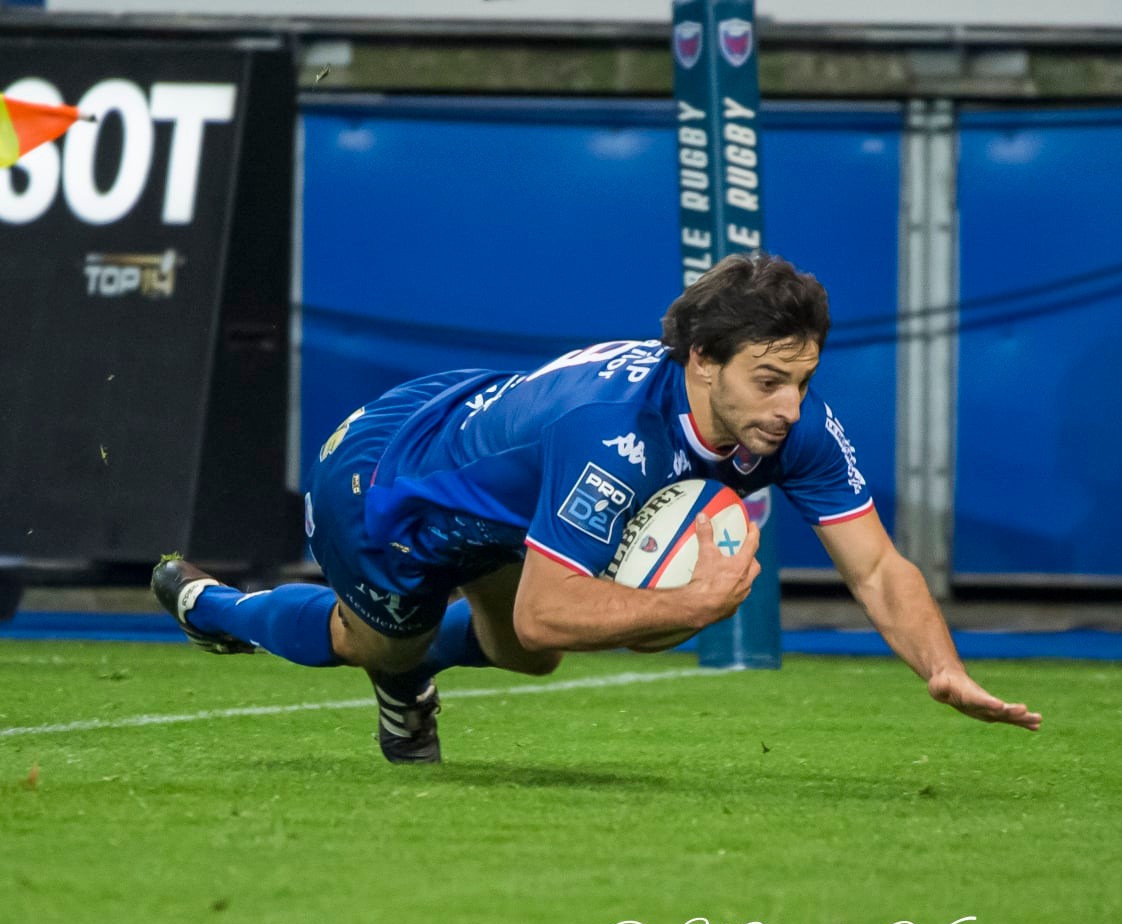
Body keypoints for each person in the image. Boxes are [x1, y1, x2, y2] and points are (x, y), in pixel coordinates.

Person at [153, 252, 1042, 762]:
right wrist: (693, 604)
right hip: (387, 485)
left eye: (803, 381)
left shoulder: (789, 427)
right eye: (769, 381)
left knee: (527, 656)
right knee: (379, 641)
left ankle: (411, 656)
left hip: (504, 493)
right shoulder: (613, 435)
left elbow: (879, 567)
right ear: (701, 362)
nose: (790, 408)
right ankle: (218, 610)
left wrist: (940, 666)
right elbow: (549, 611)